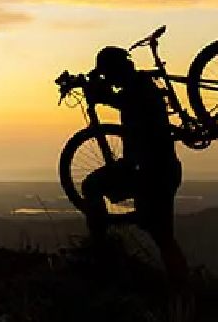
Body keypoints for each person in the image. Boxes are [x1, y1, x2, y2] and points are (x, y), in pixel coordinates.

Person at [80, 45, 189, 287]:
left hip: (153, 171)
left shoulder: (139, 89)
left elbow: (123, 102)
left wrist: (98, 92)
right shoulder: (139, 85)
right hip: (155, 170)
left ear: (118, 70)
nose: (110, 79)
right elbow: (119, 100)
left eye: (110, 73)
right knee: (161, 235)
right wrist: (97, 82)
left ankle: (100, 251)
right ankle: (182, 287)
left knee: (92, 187)